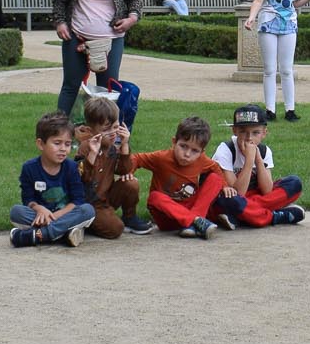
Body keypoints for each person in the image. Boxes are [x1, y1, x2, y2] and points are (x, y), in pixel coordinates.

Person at [54, 0, 143, 116]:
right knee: (70, 86)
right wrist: (61, 22)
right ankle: (56, 131)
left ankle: (107, 137)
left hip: (110, 39)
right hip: (76, 37)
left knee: (107, 90)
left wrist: (132, 18)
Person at [132, 116, 229, 239]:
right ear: (174, 142)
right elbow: (136, 159)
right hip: (167, 216)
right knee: (155, 197)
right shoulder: (161, 158)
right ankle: (196, 222)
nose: (187, 154)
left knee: (215, 179)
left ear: (202, 152)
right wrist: (129, 173)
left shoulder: (202, 160)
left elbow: (215, 168)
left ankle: (192, 224)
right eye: (183, 146)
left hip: (189, 207)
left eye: (194, 150)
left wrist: (225, 185)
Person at [210, 105, 306, 228]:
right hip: (232, 198)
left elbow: (267, 190)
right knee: (231, 201)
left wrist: (258, 159)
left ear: (264, 133)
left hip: (252, 198)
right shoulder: (225, 150)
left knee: (294, 183)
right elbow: (238, 192)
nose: (249, 138)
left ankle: (242, 215)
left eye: (255, 132)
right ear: (234, 131)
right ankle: (274, 216)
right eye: (243, 132)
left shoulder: (265, 151)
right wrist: (249, 160)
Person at [12, 112, 94, 248]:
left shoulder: (72, 168)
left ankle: (39, 235)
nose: (63, 149)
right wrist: (39, 209)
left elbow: (77, 200)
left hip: (64, 214)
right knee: (16, 212)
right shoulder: (29, 168)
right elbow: (28, 199)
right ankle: (64, 233)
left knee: (87, 210)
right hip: (41, 217)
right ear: (40, 144)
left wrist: (55, 216)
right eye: (57, 143)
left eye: (67, 144)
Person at [75, 96, 152, 238]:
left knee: (131, 183)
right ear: (90, 130)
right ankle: (86, 222)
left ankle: (129, 217)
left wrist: (124, 145)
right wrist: (92, 154)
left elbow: (124, 169)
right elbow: (83, 178)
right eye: (106, 129)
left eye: (115, 127)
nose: (112, 133)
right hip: (90, 203)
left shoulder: (111, 147)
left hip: (106, 199)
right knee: (115, 229)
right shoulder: (86, 147)